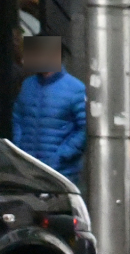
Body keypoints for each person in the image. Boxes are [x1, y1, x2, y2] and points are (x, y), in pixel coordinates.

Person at [11, 36, 87, 187]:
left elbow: (84, 128)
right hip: (28, 170)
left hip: (61, 174)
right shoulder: (27, 85)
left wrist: (62, 155)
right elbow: (17, 118)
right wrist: (19, 148)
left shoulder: (75, 88)